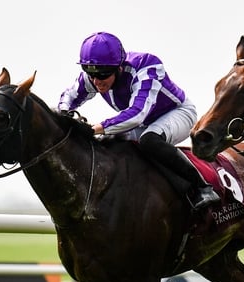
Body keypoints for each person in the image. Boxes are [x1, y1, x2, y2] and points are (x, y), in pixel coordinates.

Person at [57, 31, 220, 210]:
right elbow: (68, 98)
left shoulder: (146, 66)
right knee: (107, 143)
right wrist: (65, 114)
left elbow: (138, 113)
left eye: (103, 75)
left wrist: (95, 128)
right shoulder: (96, 75)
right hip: (142, 124)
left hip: (177, 112)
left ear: (119, 67)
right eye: (89, 73)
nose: (97, 81)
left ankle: (201, 187)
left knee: (149, 140)